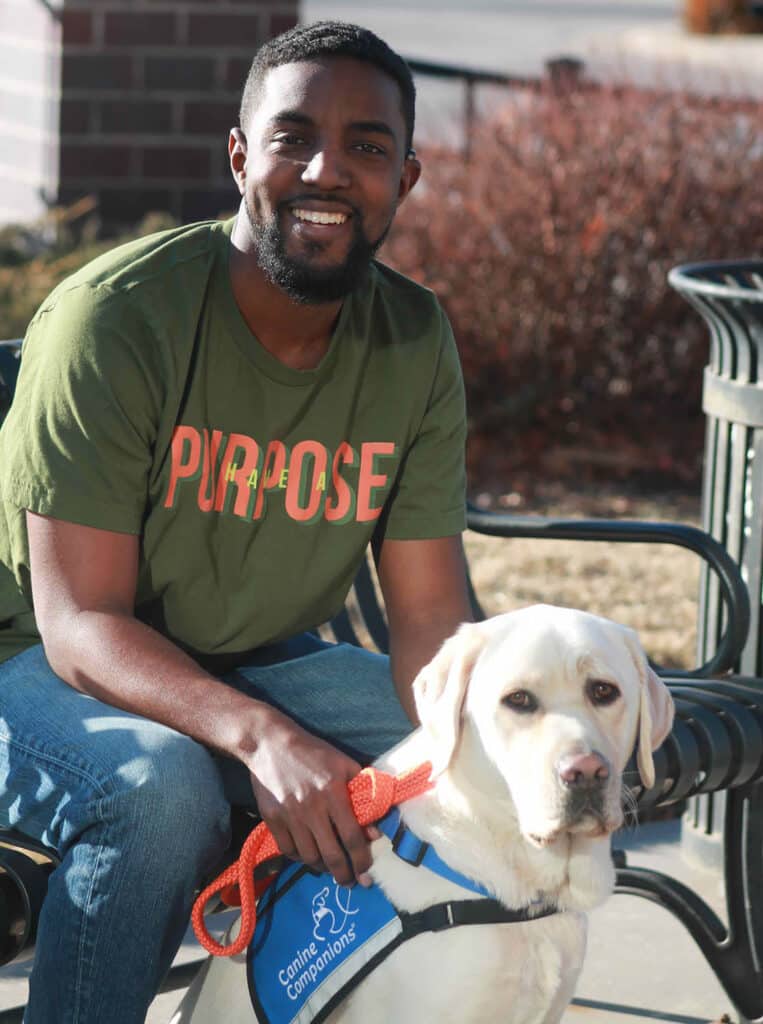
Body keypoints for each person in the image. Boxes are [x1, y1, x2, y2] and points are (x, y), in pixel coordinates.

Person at [0, 20, 473, 1023]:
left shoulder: (414, 337)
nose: (326, 170)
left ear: (408, 177)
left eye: (366, 147)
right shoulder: (117, 319)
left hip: (247, 652)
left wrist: (479, 730)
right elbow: (78, 623)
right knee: (162, 790)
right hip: (29, 662)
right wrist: (260, 738)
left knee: (463, 759)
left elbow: (429, 614)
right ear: (237, 155)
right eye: (292, 135)